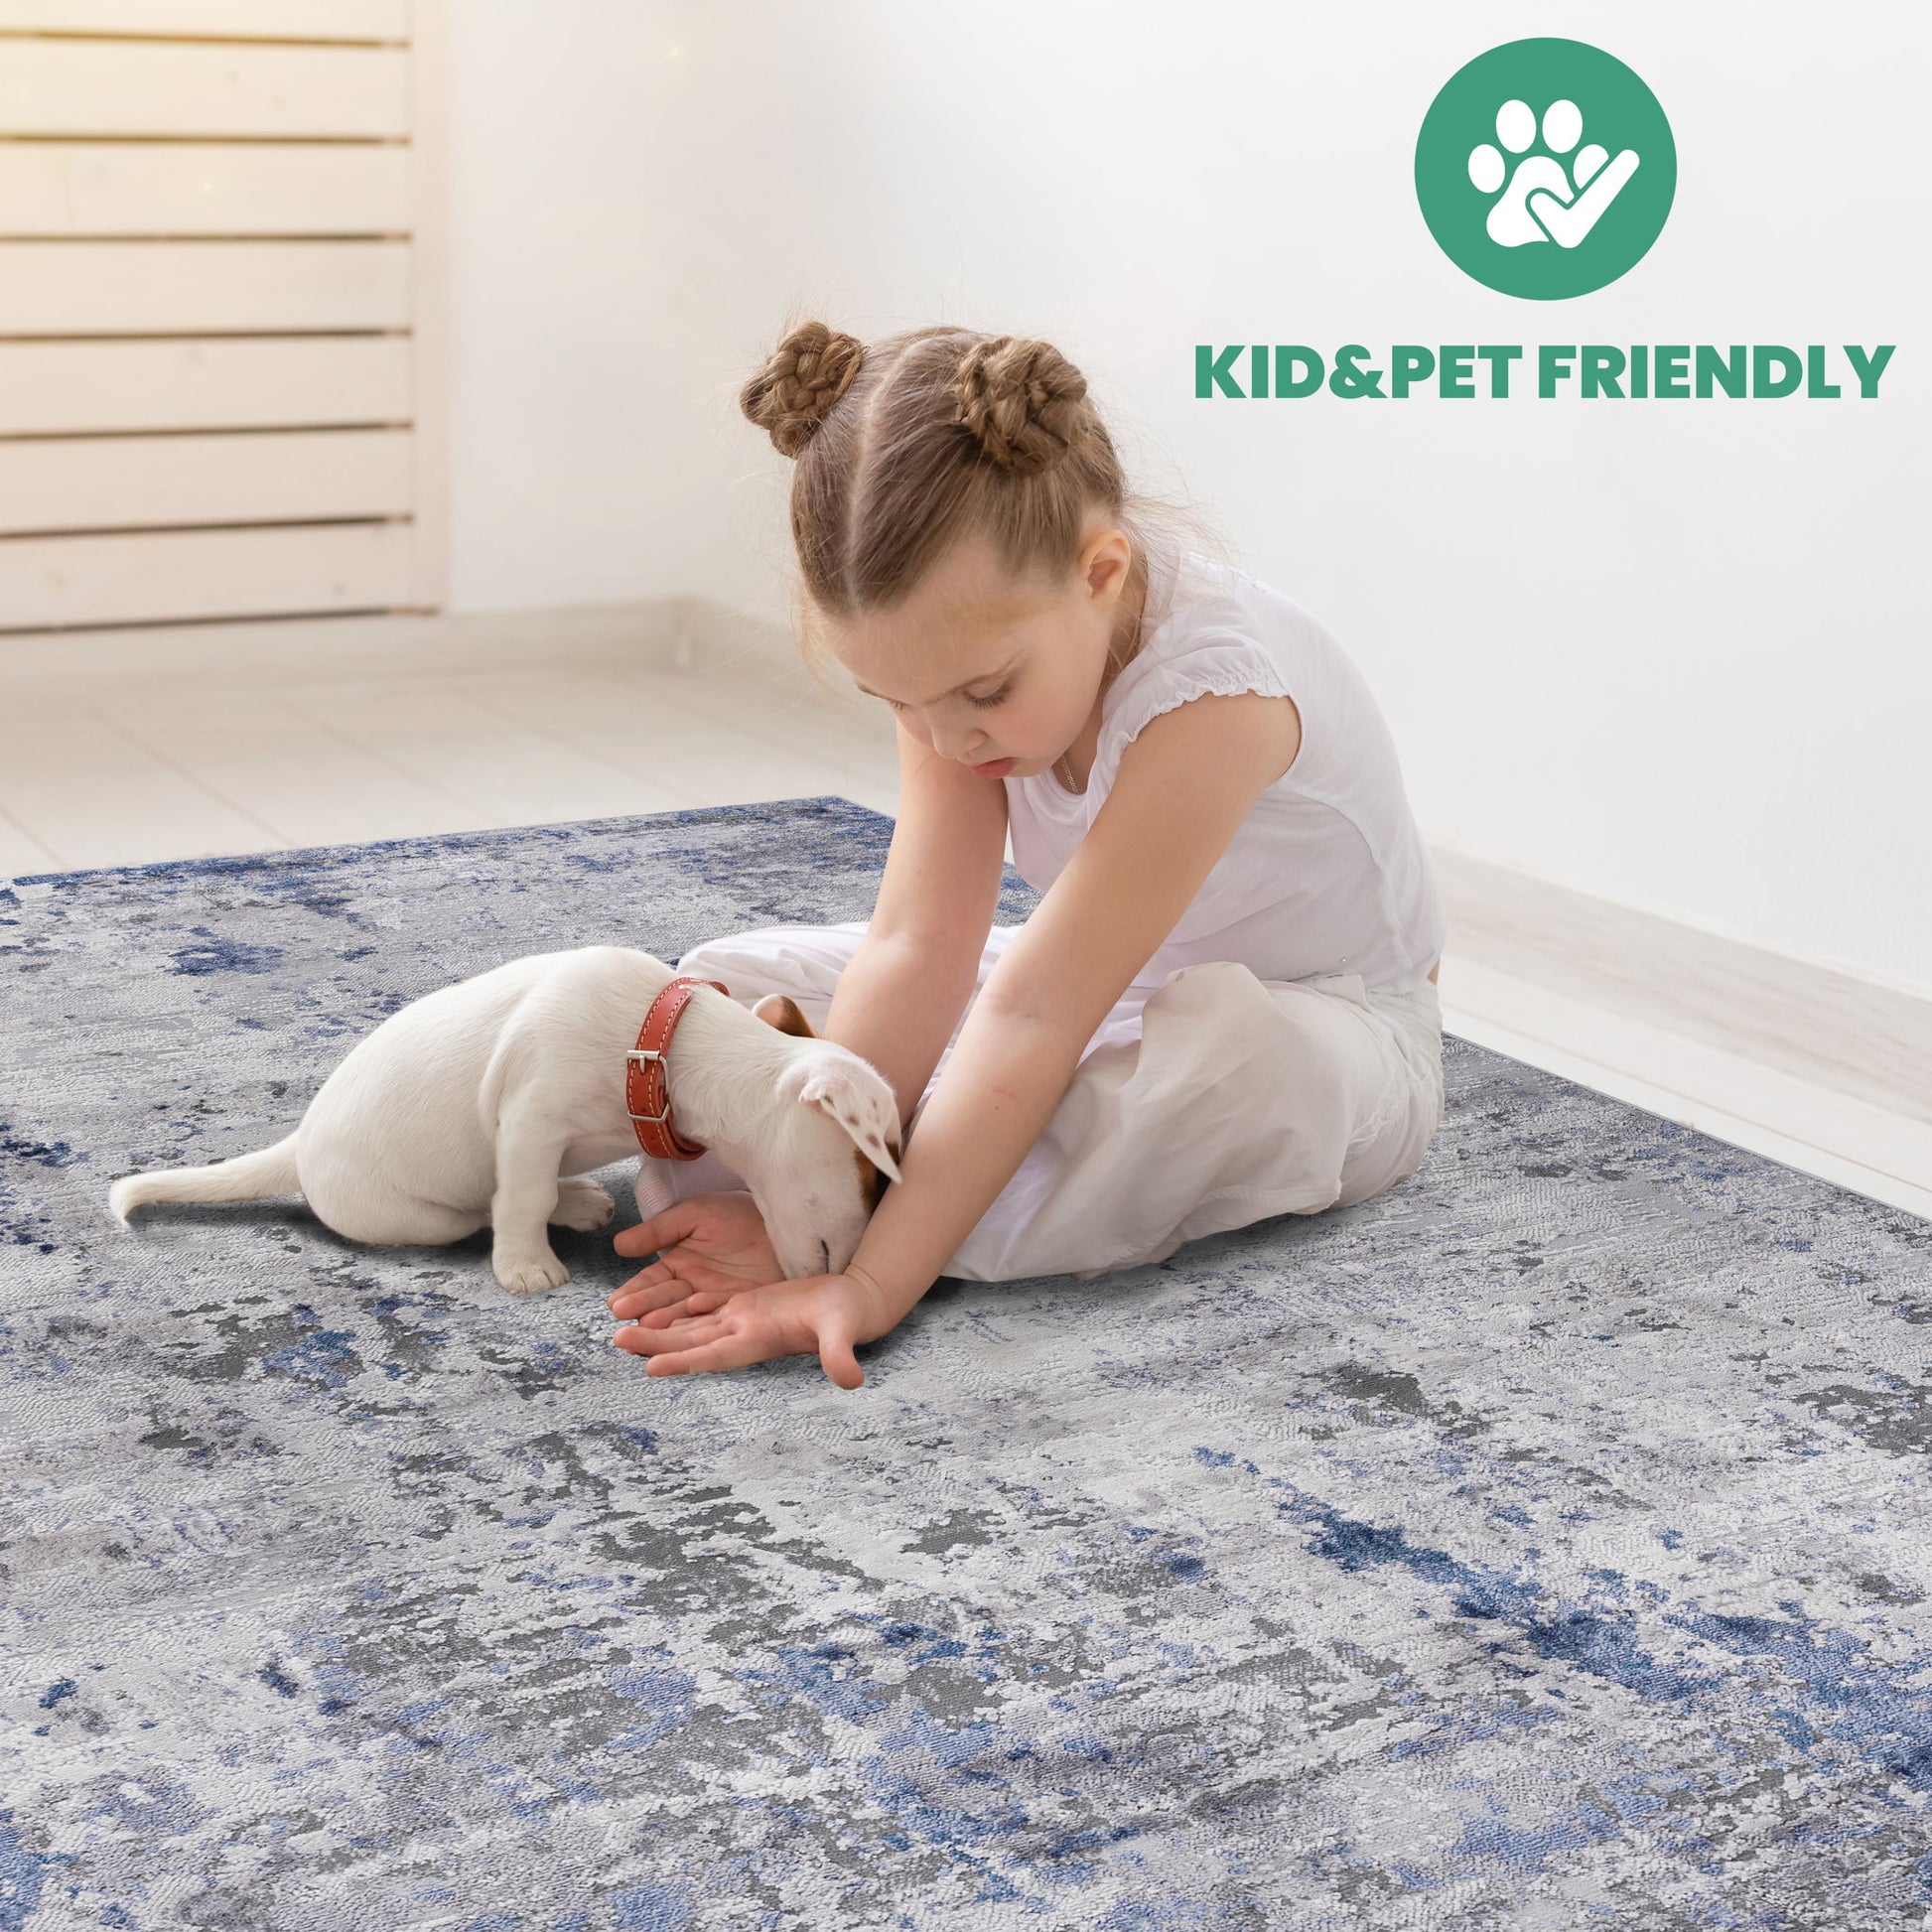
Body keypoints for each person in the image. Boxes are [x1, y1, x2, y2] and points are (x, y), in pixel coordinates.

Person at [606, 321, 1447, 1388]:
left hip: (1329, 1024)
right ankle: (859, 1194)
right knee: (723, 984)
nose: (946, 738)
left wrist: (863, 1280)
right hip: (1098, 976)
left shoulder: (1217, 695)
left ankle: (881, 1216)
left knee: (1227, 1075)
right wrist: (814, 1178)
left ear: (1101, 572)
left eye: (984, 694)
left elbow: (1038, 1011)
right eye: (897, 702)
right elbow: (919, 942)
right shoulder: (950, 677)